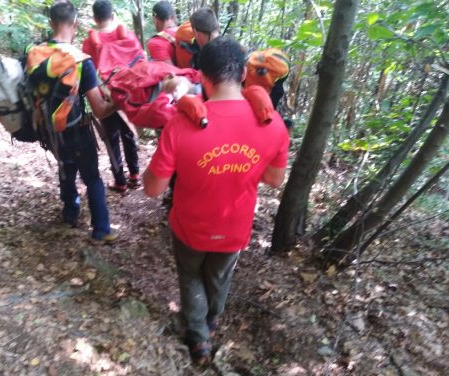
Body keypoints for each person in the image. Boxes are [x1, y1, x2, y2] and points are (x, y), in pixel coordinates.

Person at [142, 37, 289, 365]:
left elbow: (153, 188)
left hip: (190, 227)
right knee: (219, 276)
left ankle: (198, 338)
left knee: (191, 274)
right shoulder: (273, 124)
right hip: (234, 228)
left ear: (202, 77)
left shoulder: (181, 124)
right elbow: (275, 180)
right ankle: (210, 321)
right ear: (242, 75)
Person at [31, 1, 118, 243]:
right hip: (76, 129)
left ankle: (70, 213)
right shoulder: (80, 61)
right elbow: (100, 109)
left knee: (65, 166)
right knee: (92, 178)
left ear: (51, 23)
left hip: (48, 130)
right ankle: (101, 230)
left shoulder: (36, 54)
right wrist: (120, 103)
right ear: (75, 24)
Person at [82, 0, 142, 193]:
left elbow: (86, 72)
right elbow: (141, 63)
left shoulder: (89, 43)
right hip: (127, 95)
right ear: (113, 15)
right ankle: (134, 175)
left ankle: (120, 181)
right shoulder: (128, 37)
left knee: (112, 139)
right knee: (128, 133)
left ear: (95, 18)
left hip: (104, 98)